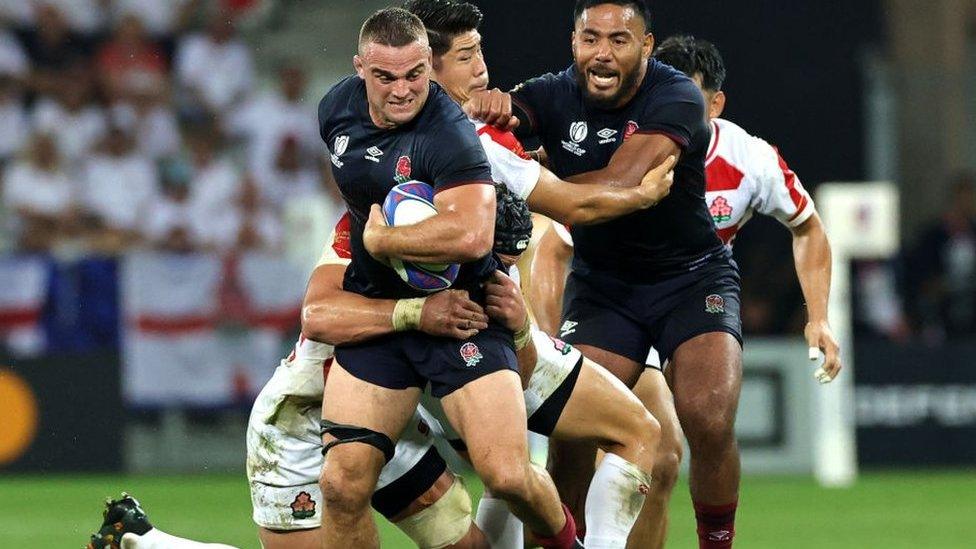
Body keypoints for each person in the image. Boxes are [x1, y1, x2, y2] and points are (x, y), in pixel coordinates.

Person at [527, 29, 844, 549]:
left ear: (714, 103)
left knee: (704, 424)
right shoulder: (619, 151)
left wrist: (819, 316)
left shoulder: (749, 158)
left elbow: (807, 225)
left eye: (684, 100)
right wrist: (546, 333)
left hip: (694, 291)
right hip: (612, 294)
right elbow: (557, 246)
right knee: (584, 436)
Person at [466, 2, 743, 547]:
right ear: (573, 43)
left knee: (708, 418)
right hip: (605, 288)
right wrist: (491, 107)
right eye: (590, 38)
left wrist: (532, 175)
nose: (603, 54)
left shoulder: (677, 97)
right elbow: (490, 128)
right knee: (571, 432)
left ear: (646, 45)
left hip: (691, 279)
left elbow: (622, 183)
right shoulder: (549, 93)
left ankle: (717, 541)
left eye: (620, 40)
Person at [316, 8, 575, 548]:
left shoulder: (449, 134)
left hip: (465, 314)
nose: (404, 90)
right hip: (385, 312)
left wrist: (384, 241)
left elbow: (473, 235)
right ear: (360, 68)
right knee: (341, 484)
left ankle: (568, 544)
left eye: (416, 74)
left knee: (507, 475)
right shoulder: (335, 110)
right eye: (385, 77)